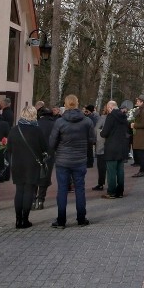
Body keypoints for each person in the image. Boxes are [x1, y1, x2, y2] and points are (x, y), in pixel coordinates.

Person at [49, 94, 94, 228]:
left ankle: (61, 220)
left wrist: (59, 149)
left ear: (66, 104)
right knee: (80, 189)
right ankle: (81, 219)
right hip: (79, 159)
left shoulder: (60, 122)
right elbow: (92, 140)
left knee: (62, 190)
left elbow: (52, 143)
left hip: (63, 160)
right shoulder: (87, 121)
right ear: (77, 103)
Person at [6, 106, 47, 229]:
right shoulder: (37, 131)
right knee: (29, 191)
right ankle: (25, 219)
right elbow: (44, 148)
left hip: (17, 164)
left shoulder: (14, 130)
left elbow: (9, 149)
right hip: (32, 164)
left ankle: (18, 220)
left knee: (19, 191)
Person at [100, 100, 129, 199]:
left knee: (111, 170)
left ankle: (111, 192)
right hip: (122, 146)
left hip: (112, 147)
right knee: (120, 170)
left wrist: (101, 132)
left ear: (110, 107)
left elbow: (105, 133)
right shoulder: (124, 116)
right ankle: (120, 191)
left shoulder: (111, 116)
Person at [34, 107, 56, 210]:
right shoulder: (55, 124)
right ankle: (41, 199)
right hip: (49, 154)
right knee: (45, 176)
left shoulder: (35, 124)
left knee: (34, 176)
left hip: (35, 153)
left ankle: (33, 200)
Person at [130, 95, 144, 177]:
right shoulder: (140, 110)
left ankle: (143, 170)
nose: (136, 102)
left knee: (141, 154)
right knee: (140, 153)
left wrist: (134, 125)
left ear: (142, 102)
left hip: (142, 136)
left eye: (138, 101)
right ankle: (142, 170)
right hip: (139, 135)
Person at [91, 104, 107, 192]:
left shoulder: (103, 118)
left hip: (102, 144)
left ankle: (101, 183)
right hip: (113, 145)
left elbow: (96, 129)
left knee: (101, 166)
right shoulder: (116, 117)